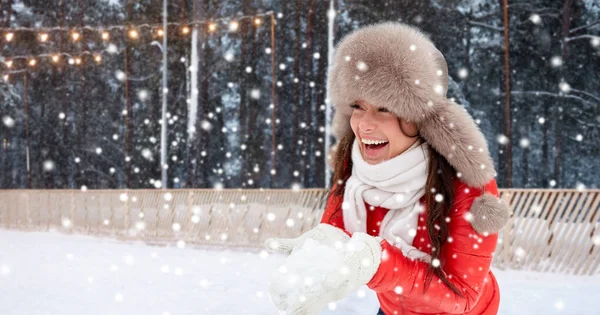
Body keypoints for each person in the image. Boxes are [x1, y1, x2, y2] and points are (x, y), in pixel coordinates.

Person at [265, 22, 510, 315]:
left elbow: (461, 294)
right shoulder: (355, 166)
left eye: (385, 108)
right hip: (393, 307)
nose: (365, 124)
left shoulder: (465, 184)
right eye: (357, 106)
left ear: (418, 117)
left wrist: (378, 261)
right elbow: (338, 227)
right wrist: (324, 245)